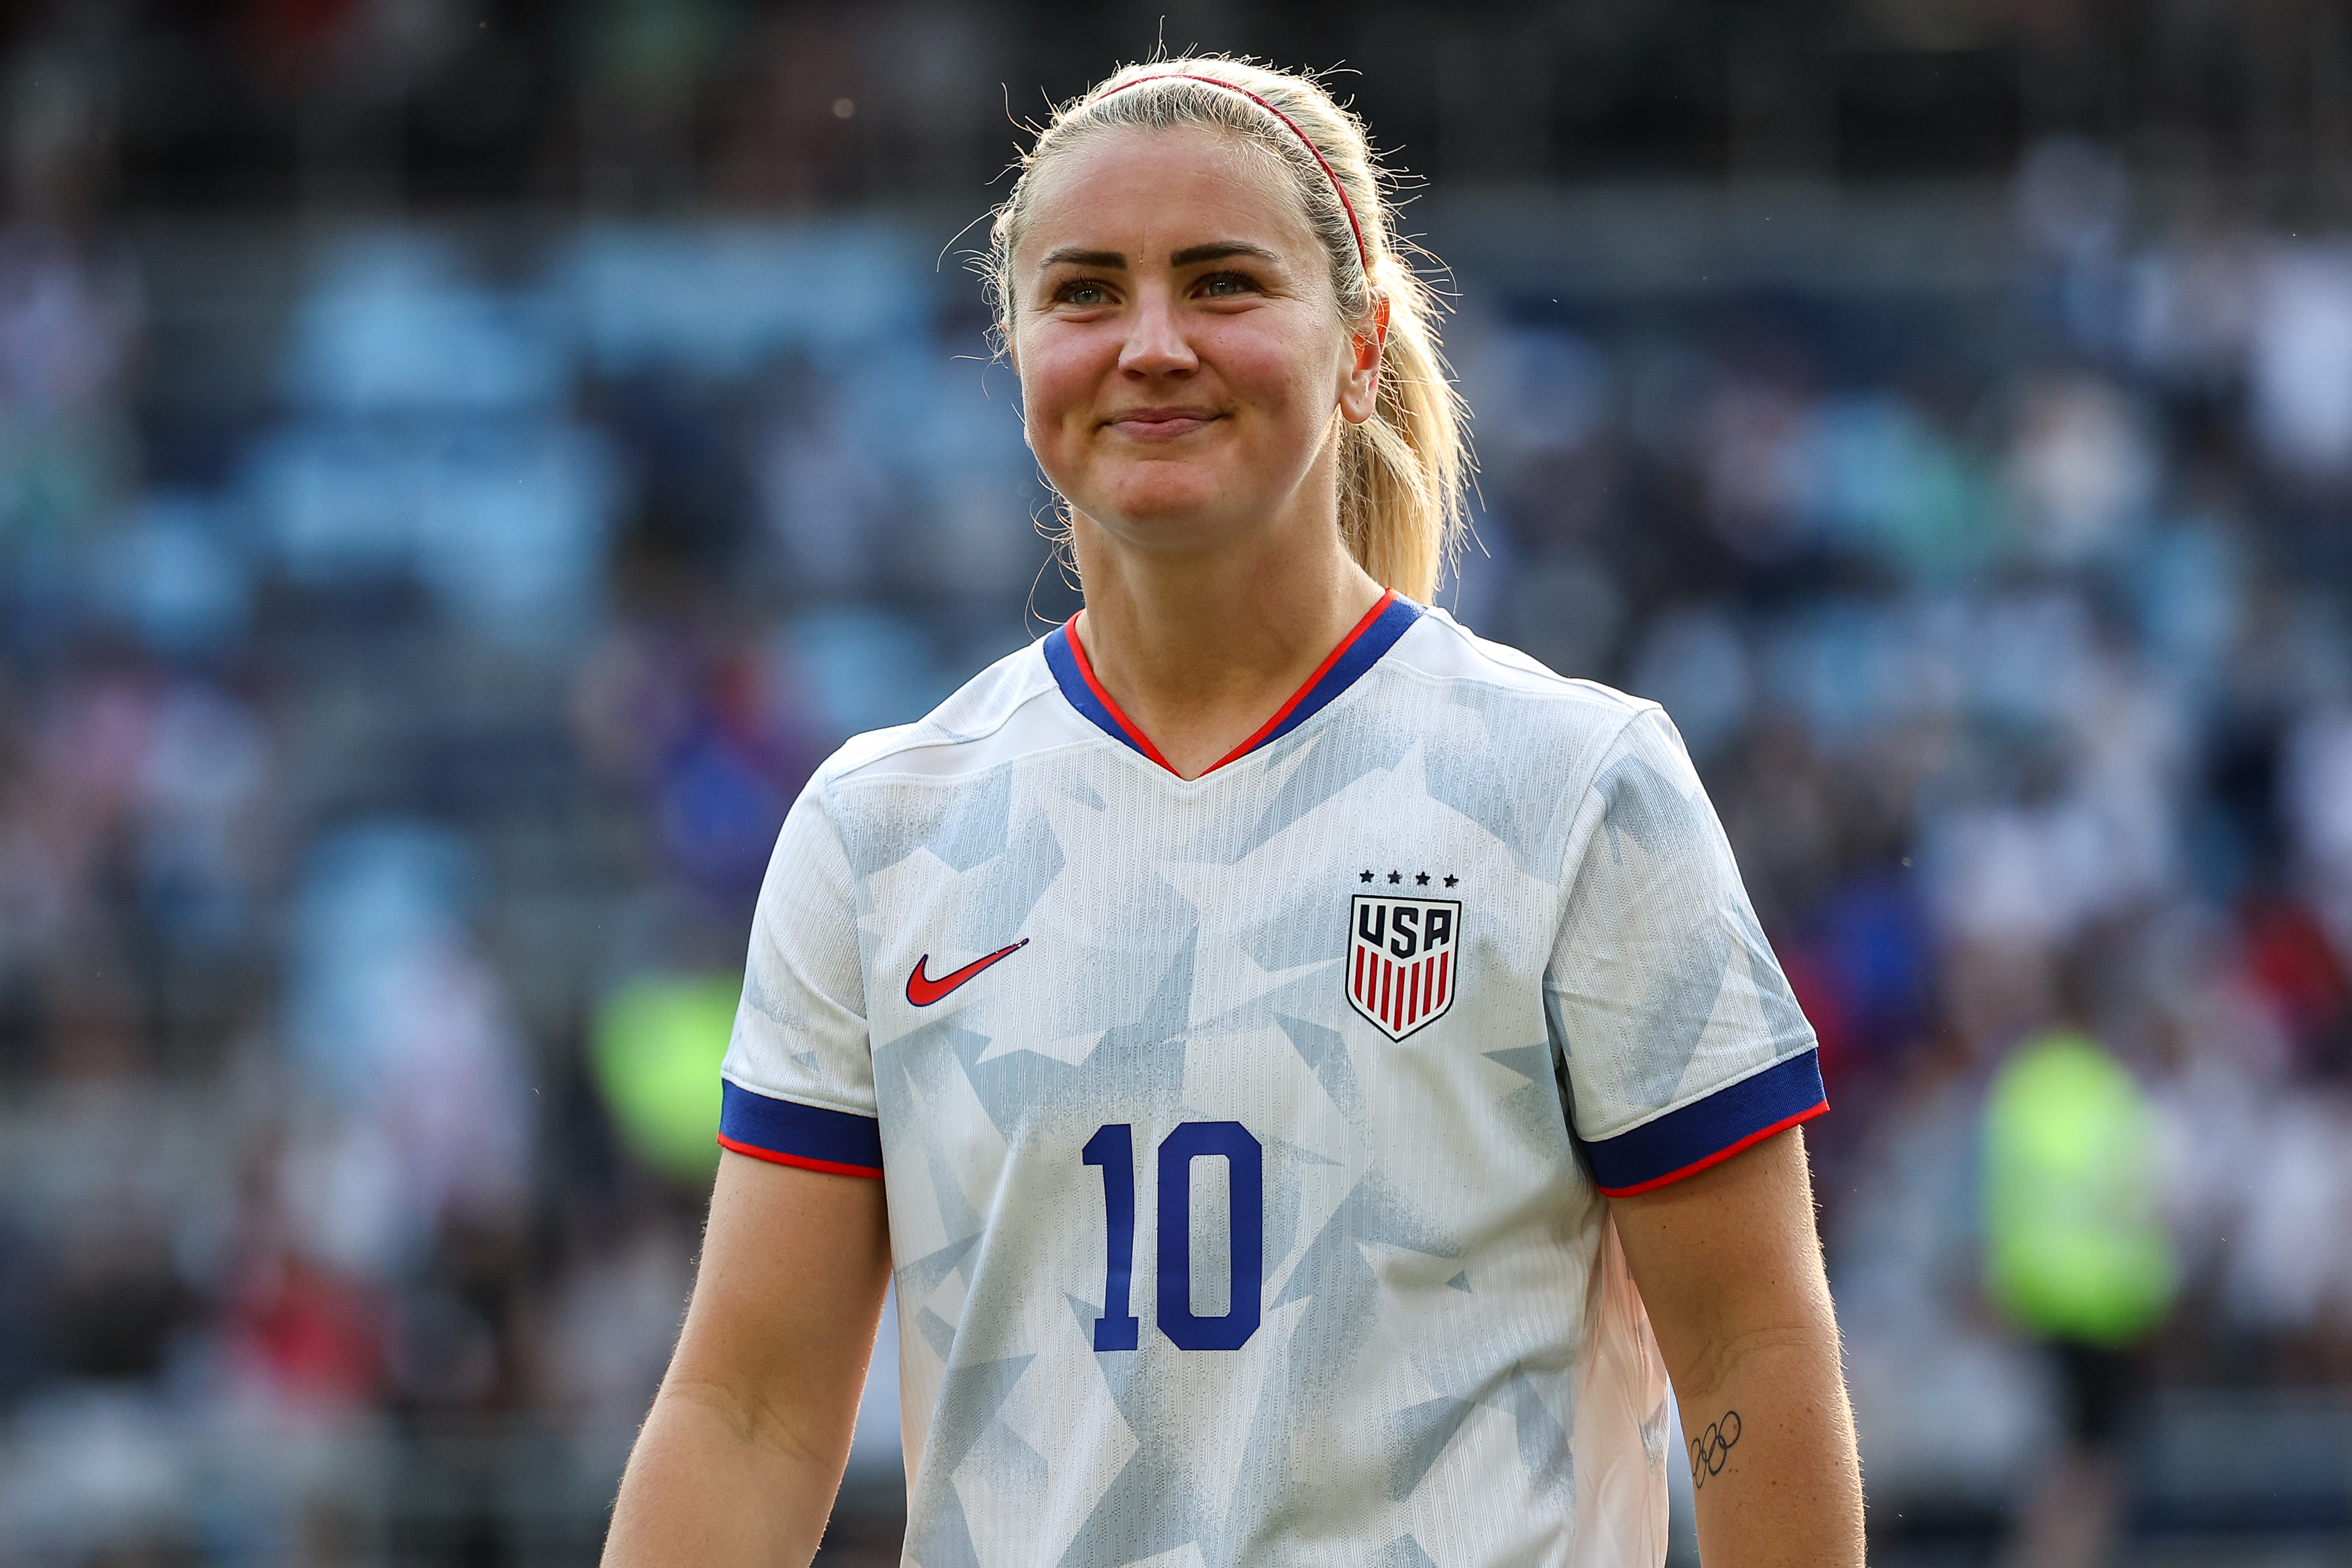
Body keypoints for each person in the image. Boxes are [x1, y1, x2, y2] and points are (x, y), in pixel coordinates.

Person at [603, 56, 1864, 1568]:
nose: (1149, 345)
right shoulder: (880, 829)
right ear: (1011, 347)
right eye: (1083, 291)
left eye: (1220, 283)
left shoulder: (1577, 785)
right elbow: (749, 1411)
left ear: (1360, 346)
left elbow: (1750, 1359)